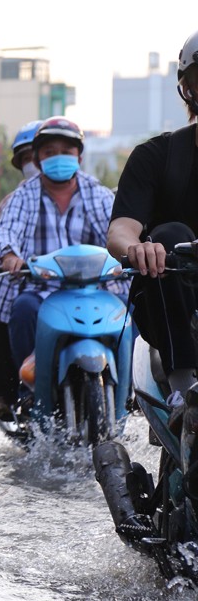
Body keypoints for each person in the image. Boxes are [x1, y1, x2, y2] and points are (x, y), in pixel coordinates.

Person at [0, 116, 126, 404]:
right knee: (23, 309)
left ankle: (132, 387)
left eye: (66, 151)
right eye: (50, 152)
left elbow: (118, 230)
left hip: (97, 289)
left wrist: (132, 251)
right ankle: (29, 386)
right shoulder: (23, 196)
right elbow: (8, 228)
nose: (59, 158)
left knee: (130, 312)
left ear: (79, 155)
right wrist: (10, 255)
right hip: (41, 290)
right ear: (37, 159)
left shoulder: (99, 194)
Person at [108, 29, 198, 425]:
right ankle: (184, 389)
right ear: (188, 89)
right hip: (171, 290)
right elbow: (121, 230)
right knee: (170, 236)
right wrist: (137, 248)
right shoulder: (155, 156)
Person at [0, 119, 42, 418]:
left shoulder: (91, 194)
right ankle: (4, 392)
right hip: (27, 285)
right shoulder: (14, 202)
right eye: (28, 158)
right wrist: (7, 273)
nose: (36, 164)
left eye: (40, 155)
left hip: (81, 285)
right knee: (3, 312)